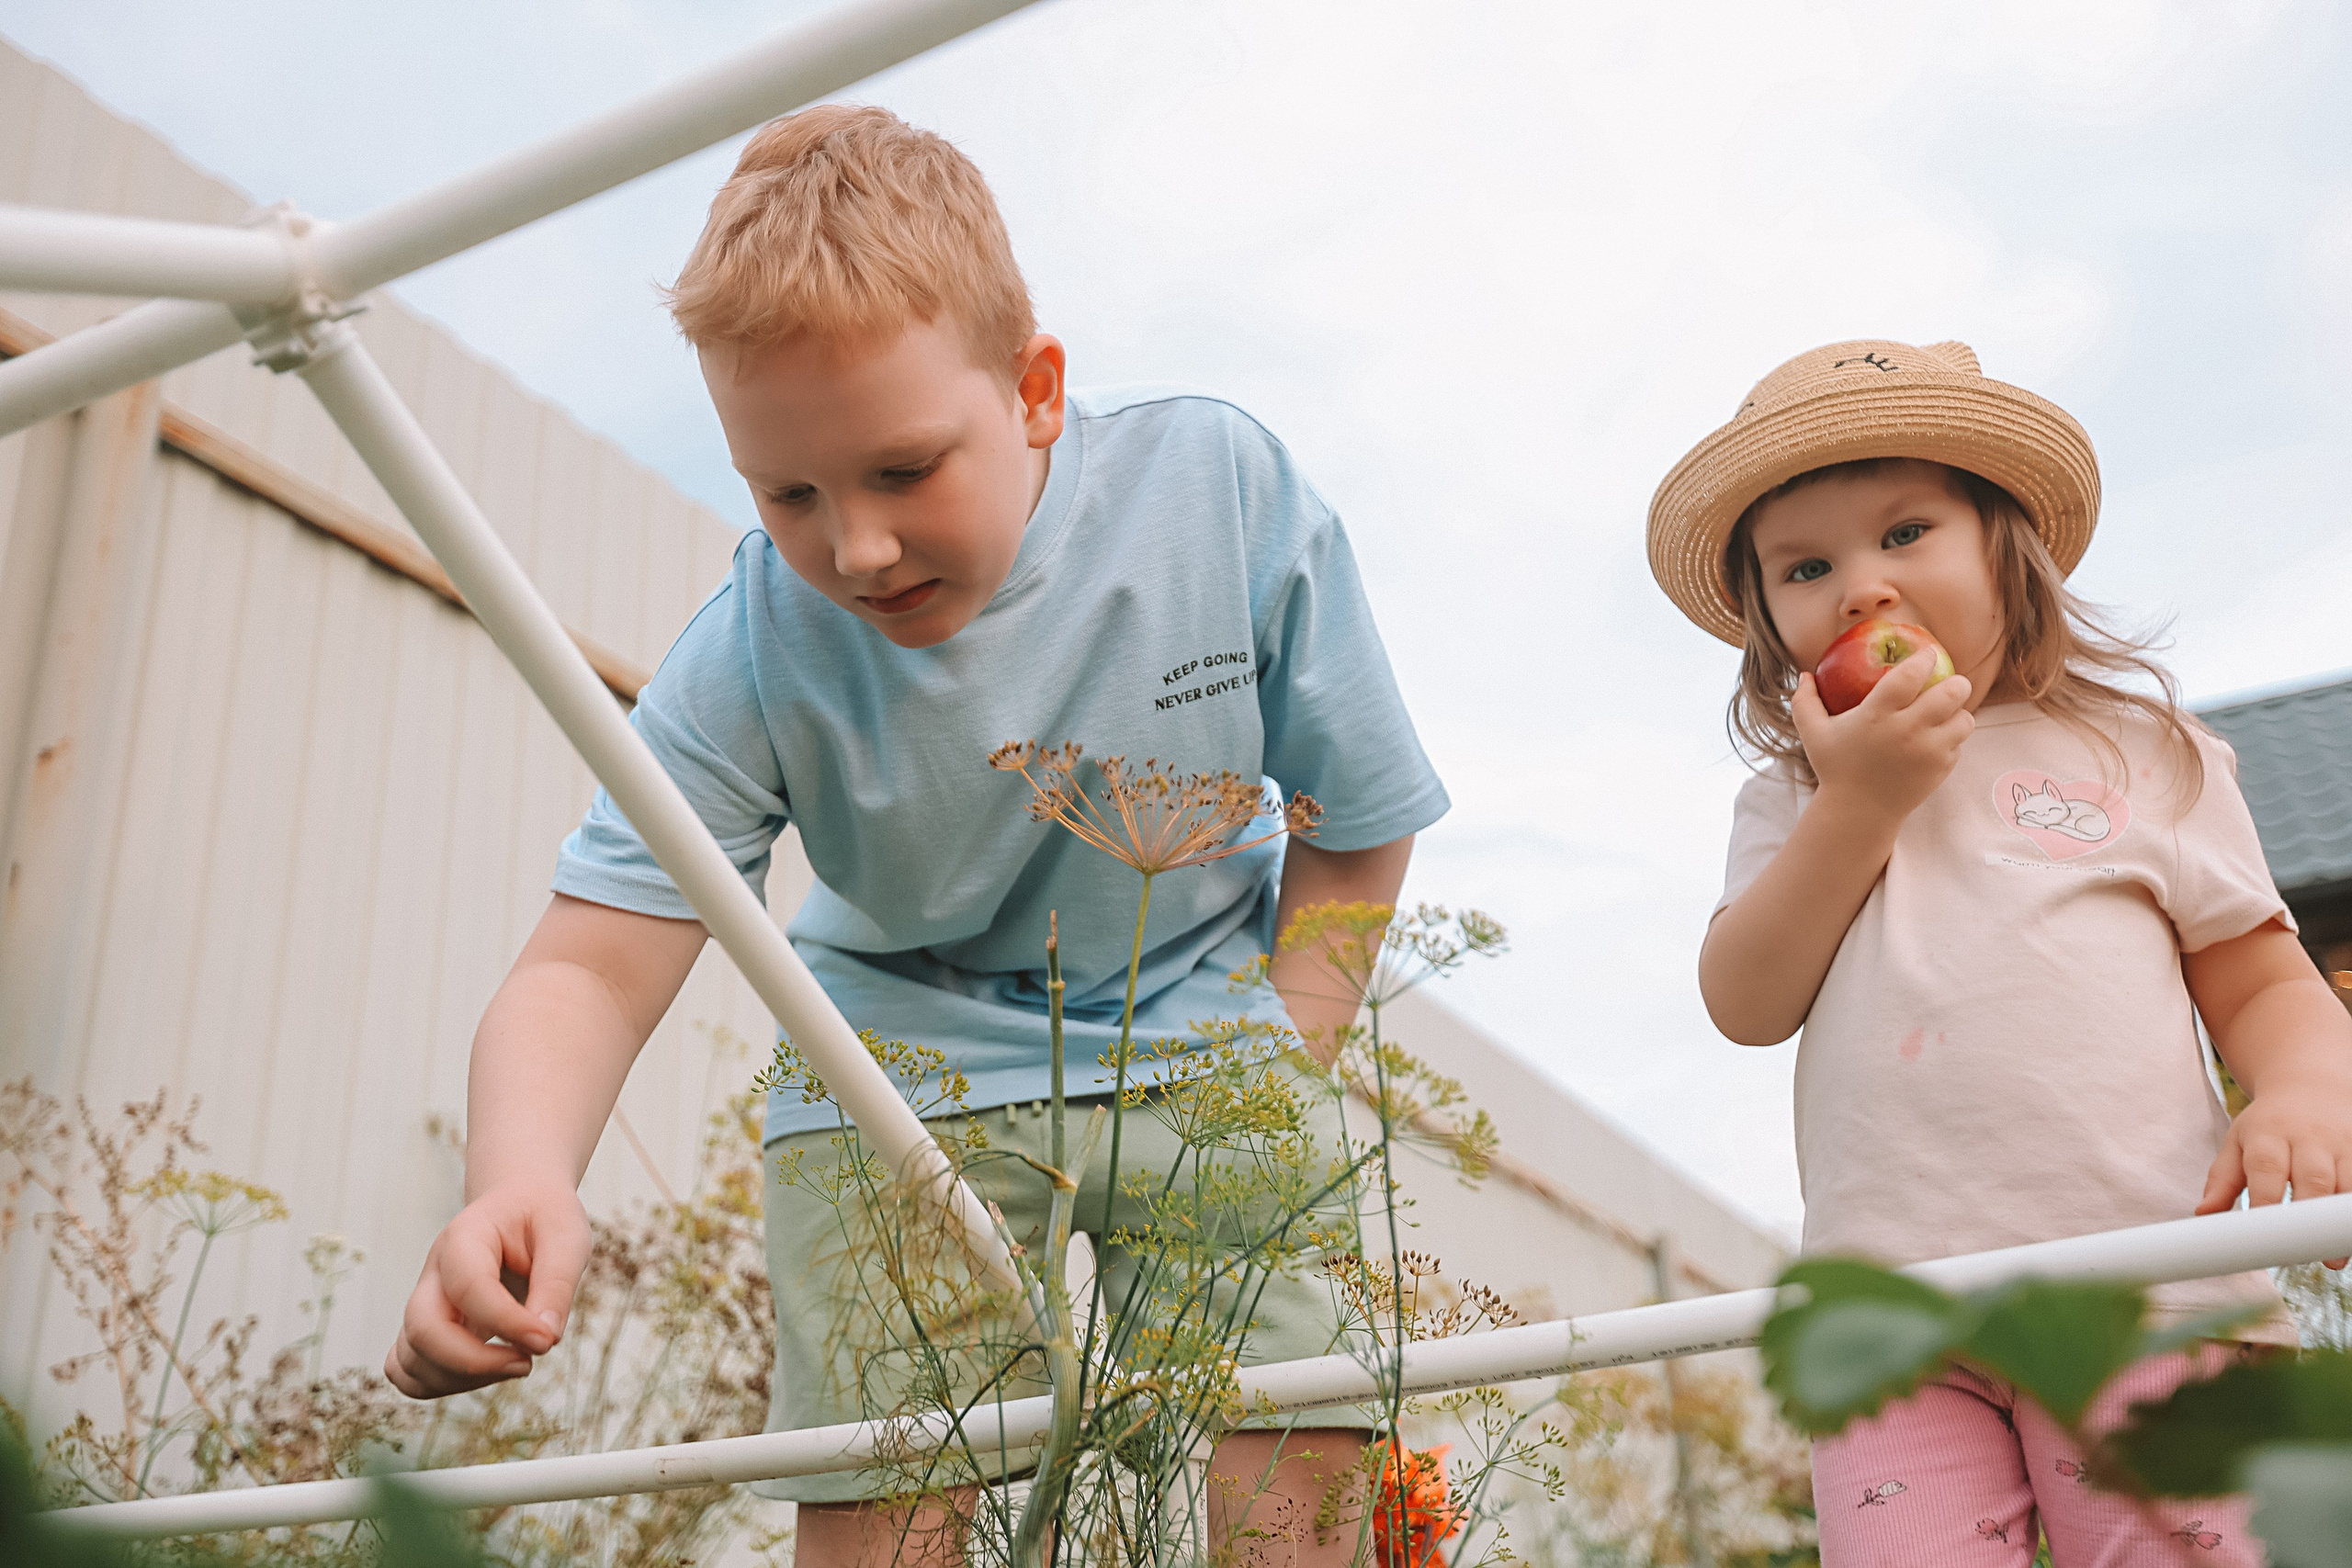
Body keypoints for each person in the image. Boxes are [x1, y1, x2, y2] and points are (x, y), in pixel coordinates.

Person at [382, 106, 1449, 1567]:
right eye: (789, 494)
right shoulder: (759, 640)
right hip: (897, 1063)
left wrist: (1284, 1057)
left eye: (902, 470)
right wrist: (516, 1176)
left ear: (1035, 391)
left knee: (1298, 1452)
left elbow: (1360, 822)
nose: (857, 548)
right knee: (885, 1501)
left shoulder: (1218, 494)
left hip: (1211, 1023)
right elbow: (588, 964)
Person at [1647, 338, 2352, 1565]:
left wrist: (2305, 1087)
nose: (1860, 588)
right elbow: (1748, 1002)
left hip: (2148, 1289)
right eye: (1807, 567)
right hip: (1894, 1330)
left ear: (2004, 547)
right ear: (1768, 623)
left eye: (1905, 532)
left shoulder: (2143, 749)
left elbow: (2262, 980)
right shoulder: (1797, 797)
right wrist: (1858, 802)